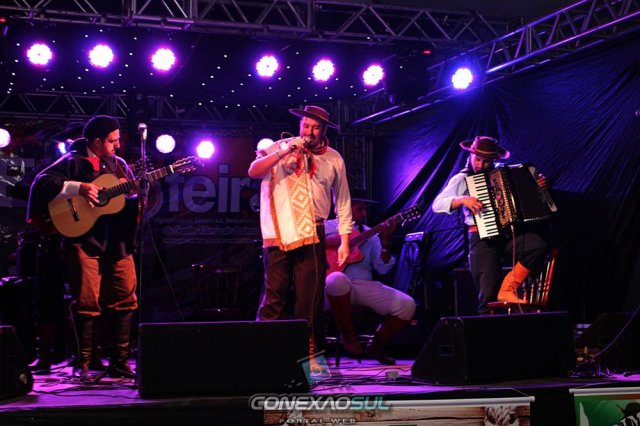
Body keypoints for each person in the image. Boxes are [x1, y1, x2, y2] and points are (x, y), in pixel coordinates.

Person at [26, 115, 138, 381]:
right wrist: (79, 188)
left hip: (117, 241)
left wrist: (138, 192)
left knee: (126, 298)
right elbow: (42, 183)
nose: (118, 145)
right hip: (85, 240)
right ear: (96, 142)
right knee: (87, 302)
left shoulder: (120, 165)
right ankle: (83, 363)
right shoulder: (72, 161)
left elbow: (130, 197)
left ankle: (119, 362)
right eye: (112, 140)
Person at [248, 105, 352, 353]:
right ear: (300, 125)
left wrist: (345, 241)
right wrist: (284, 152)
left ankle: (309, 360)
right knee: (274, 296)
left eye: (316, 128)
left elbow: (343, 201)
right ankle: (265, 355)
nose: (309, 132)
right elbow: (253, 171)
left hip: (312, 232)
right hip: (279, 233)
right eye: (306, 126)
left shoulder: (333, 158)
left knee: (310, 300)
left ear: (324, 130)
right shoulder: (281, 146)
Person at [432, 136, 549, 314]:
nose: (481, 165)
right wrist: (462, 199)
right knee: (487, 298)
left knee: (537, 245)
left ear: (493, 159)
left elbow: (527, 189)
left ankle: (508, 287)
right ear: (471, 156)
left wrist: (538, 184)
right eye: (478, 159)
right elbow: (437, 205)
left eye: (487, 161)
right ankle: (487, 329)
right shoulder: (462, 178)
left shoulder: (504, 171)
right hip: (481, 238)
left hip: (507, 233)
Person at [325, 193, 416, 365]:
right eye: (360, 209)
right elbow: (311, 247)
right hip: (329, 289)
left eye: (365, 209)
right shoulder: (326, 227)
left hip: (362, 285)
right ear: (344, 209)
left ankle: (376, 345)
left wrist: (386, 242)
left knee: (407, 305)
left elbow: (382, 269)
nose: (364, 213)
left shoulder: (370, 234)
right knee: (337, 279)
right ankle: (348, 336)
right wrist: (339, 242)